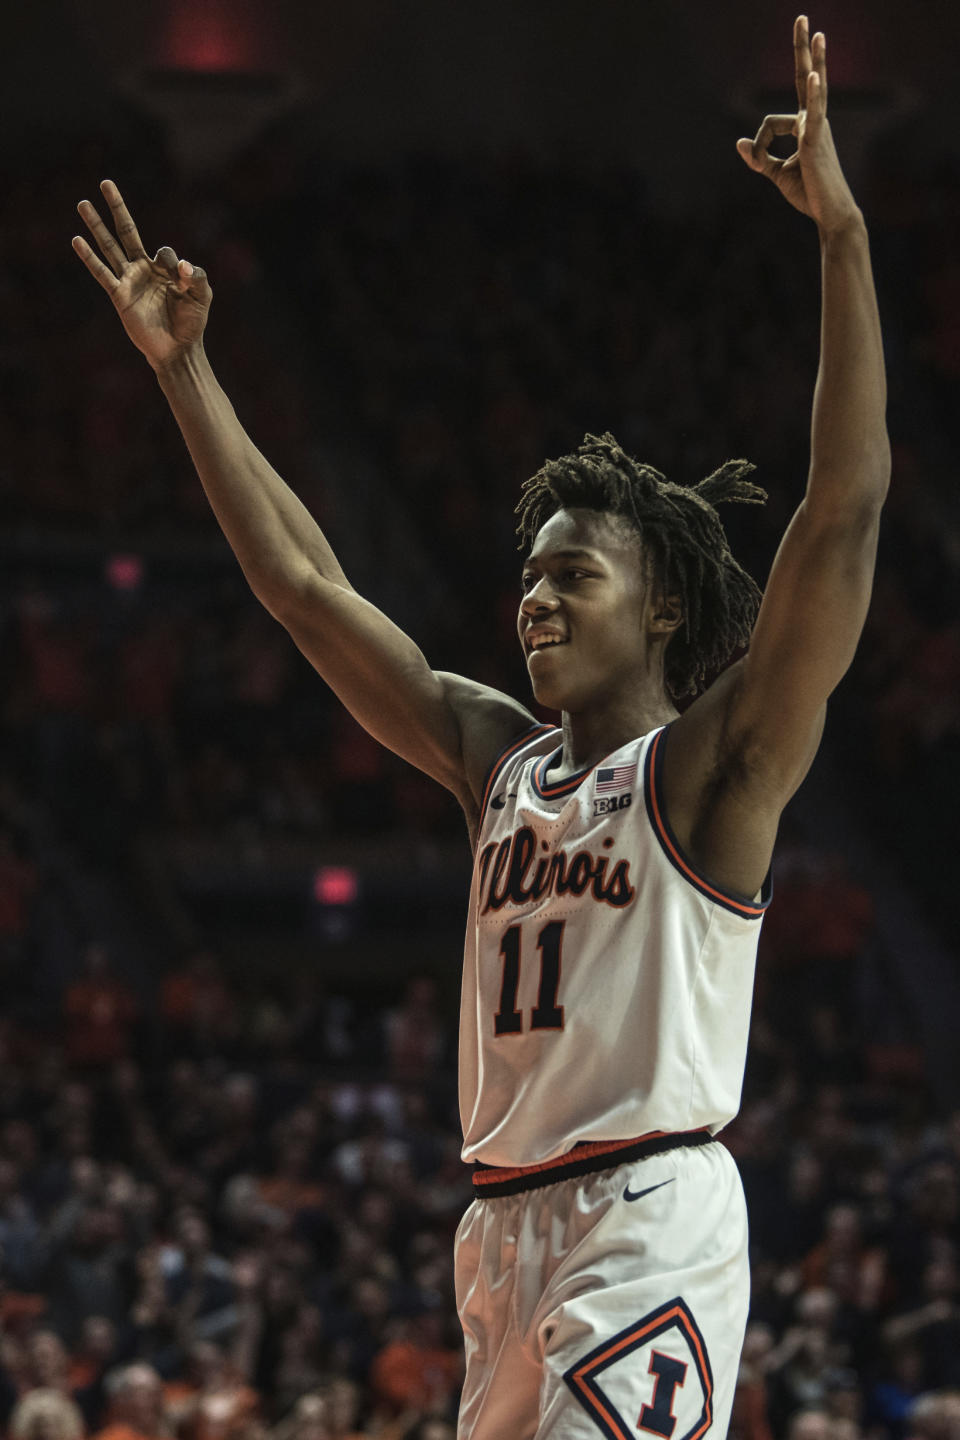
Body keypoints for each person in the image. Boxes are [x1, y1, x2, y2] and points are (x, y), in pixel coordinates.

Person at [73, 15, 888, 1438]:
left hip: (647, 1212)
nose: (536, 603)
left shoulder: (710, 773)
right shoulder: (495, 761)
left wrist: (841, 237)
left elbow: (845, 513)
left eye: (576, 576)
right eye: (528, 578)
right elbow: (304, 588)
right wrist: (184, 375)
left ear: (667, 617)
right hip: (498, 1237)